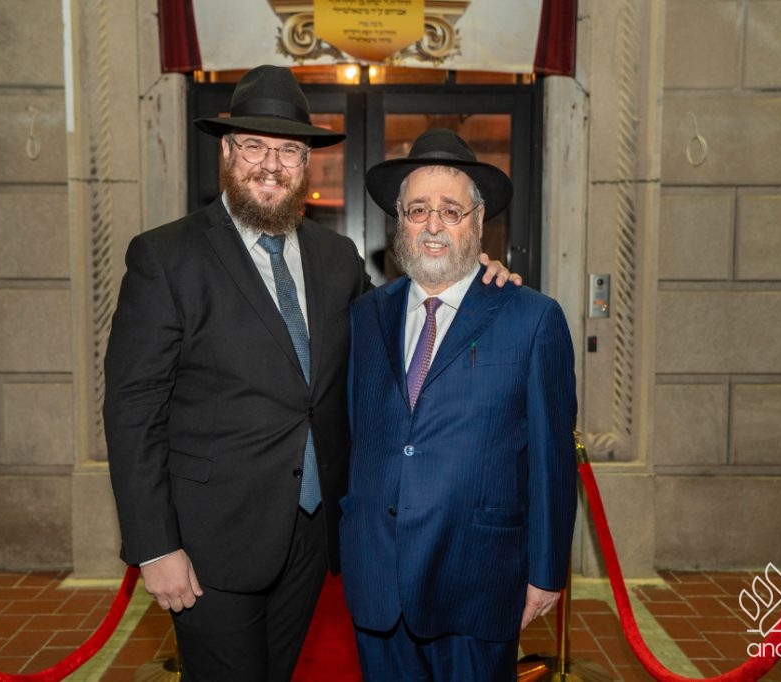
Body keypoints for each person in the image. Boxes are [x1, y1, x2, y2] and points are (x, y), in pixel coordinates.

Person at [103, 66, 517, 681]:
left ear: (305, 163)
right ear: (227, 152)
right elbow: (132, 410)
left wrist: (473, 274)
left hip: (310, 536)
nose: (271, 165)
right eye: (255, 147)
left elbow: (399, 328)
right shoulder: (166, 257)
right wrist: (155, 546)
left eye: (289, 151)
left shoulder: (335, 257)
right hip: (211, 541)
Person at [340, 128, 579, 681]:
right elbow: (357, 433)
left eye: (451, 211)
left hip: (477, 578)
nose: (433, 225)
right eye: (418, 210)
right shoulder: (366, 315)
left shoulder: (532, 317)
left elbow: (552, 459)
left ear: (477, 220)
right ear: (399, 222)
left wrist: (546, 572)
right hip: (378, 578)